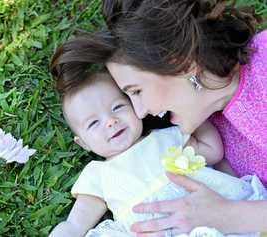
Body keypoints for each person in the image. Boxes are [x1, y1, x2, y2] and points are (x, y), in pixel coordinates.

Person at [50, 0, 267, 235]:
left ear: (179, 62)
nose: (140, 111)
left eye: (136, 91)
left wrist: (228, 215)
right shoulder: (209, 123)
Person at [48, 68, 266, 237]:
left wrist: (193, 120)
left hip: (207, 213)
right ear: (83, 143)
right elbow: (76, 223)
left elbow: (212, 152)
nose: (111, 122)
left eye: (117, 108)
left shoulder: (168, 137)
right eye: (94, 123)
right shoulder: (98, 174)